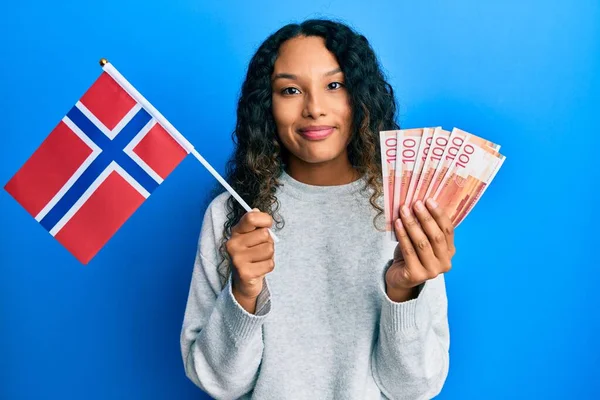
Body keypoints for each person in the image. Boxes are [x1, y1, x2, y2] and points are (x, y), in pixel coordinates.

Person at [180, 18, 454, 400]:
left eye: (334, 85)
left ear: (360, 96)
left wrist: (404, 291)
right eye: (290, 90)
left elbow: (414, 387)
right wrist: (243, 292)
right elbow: (221, 384)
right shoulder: (230, 214)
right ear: (266, 106)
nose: (314, 108)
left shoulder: (405, 208)